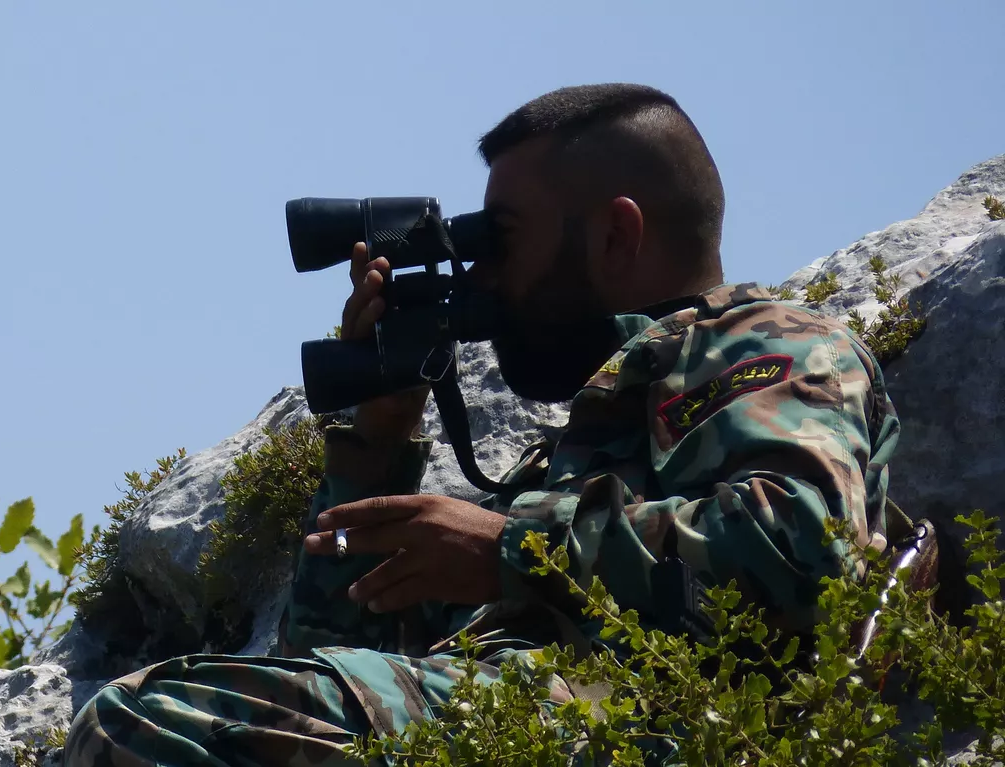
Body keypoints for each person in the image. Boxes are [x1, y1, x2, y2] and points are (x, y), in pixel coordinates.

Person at [62, 83, 903, 766]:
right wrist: (379, 440)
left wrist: (510, 546)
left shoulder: (771, 346)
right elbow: (316, 664)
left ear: (617, 235)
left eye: (502, 241)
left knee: (146, 721)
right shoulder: (582, 441)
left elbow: (806, 552)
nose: (486, 276)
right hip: (519, 717)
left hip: (631, 725)